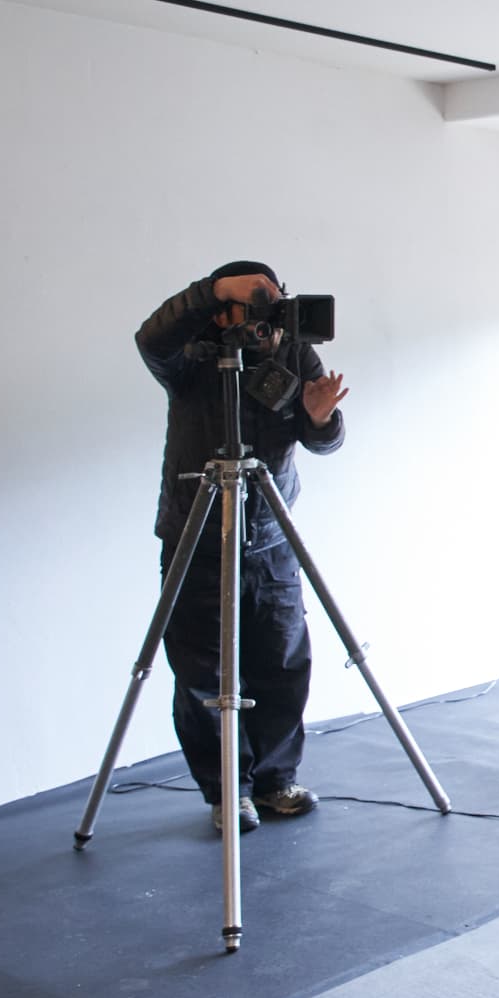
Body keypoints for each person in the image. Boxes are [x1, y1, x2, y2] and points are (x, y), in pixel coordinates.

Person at [136, 262, 348, 835]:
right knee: (203, 675)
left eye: (271, 302)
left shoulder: (293, 352)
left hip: (271, 539)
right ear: (221, 310)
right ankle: (227, 791)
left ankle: (276, 781)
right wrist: (211, 292)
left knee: (282, 664)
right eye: (251, 303)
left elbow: (324, 439)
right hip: (198, 536)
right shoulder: (190, 357)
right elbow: (150, 339)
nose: (265, 318)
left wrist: (322, 420)